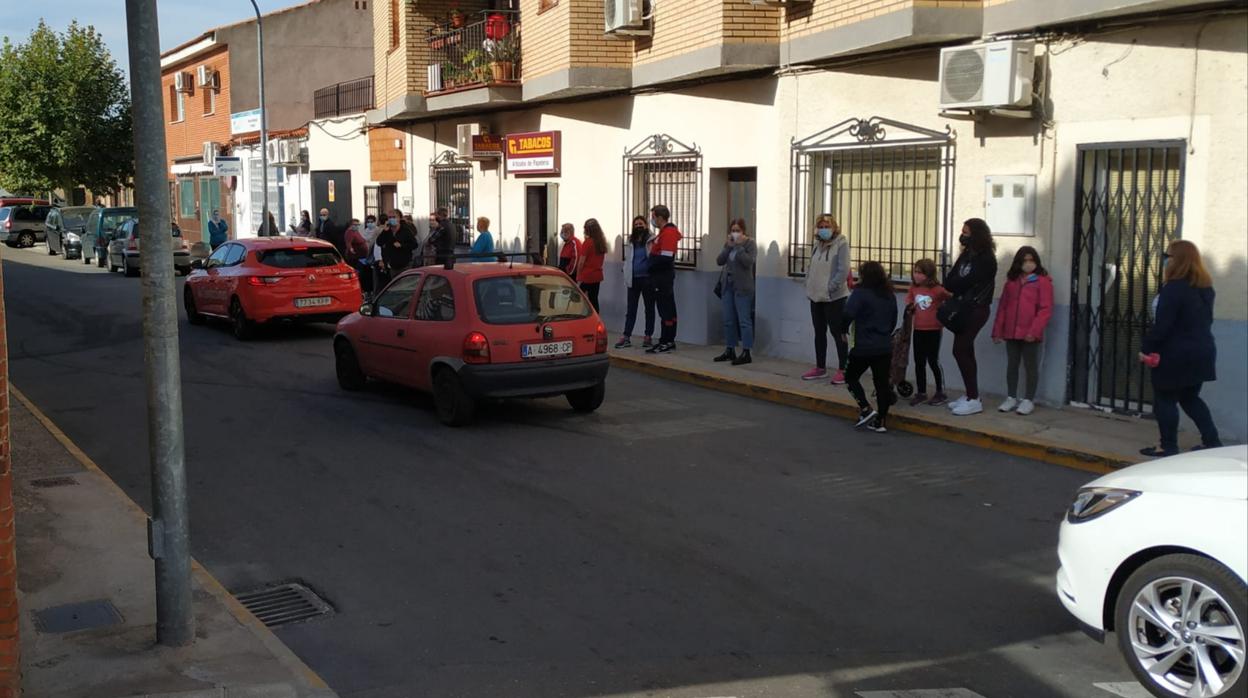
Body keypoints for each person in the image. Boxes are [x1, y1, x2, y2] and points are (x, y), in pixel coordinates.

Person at [1139, 240, 1221, 457]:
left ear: (1179, 260)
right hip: (1202, 351)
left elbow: (1163, 326)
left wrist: (1146, 348)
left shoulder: (1174, 289)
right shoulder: (1205, 288)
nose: (1166, 260)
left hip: (1175, 354)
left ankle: (1167, 446)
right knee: (1190, 398)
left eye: (1169, 256)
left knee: (1164, 400)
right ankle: (1212, 441)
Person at [943, 218, 998, 416]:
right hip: (963, 308)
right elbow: (950, 282)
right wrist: (959, 282)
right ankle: (970, 395)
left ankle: (974, 398)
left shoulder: (986, 259)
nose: (962, 236)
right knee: (965, 351)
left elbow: (967, 281)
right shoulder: (967, 255)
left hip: (976, 309)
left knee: (960, 350)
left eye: (966, 232)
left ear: (976, 234)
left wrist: (959, 282)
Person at [991, 246, 1054, 416]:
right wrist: (997, 331)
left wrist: (1034, 331)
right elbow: (1003, 307)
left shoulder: (1043, 282)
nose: (1028, 264)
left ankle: (1028, 399)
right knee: (1012, 364)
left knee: (1030, 365)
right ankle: (1011, 397)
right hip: (1011, 332)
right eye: (1024, 261)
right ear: (1018, 263)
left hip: (1030, 333)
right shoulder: (1011, 283)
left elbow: (1045, 309)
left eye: (1031, 260)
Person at [842, 261, 899, 434]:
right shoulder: (889, 295)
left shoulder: (860, 293)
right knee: (881, 383)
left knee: (850, 377)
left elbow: (848, 314)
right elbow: (893, 320)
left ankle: (865, 408)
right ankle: (881, 421)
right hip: (884, 346)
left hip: (863, 346)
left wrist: (842, 331)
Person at [802, 214, 851, 384]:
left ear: (834, 227)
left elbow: (843, 270)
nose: (823, 229)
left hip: (834, 298)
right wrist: (809, 283)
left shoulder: (841, 243)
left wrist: (831, 287)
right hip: (816, 296)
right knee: (819, 333)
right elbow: (810, 266)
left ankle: (844, 369)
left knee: (839, 333)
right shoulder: (817, 245)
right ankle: (820, 368)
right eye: (821, 226)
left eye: (827, 226)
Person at [904, 258, 951, 406]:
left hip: (934, 330)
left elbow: (949, 297)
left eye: (920, 273)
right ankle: (921, 392)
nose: (916, 275)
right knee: (919, 362)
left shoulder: (937, 289)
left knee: (933, 360)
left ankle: (940, 391)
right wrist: (910, 308)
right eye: (915, 272)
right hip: (918, 329)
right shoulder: (913, 288)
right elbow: (909, 302)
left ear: (929, 274)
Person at [714, 218, 756, 366]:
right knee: (728, 320)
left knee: (744, 321)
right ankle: (730, 349)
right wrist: (728, 247)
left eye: (738, 230)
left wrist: (739, 247)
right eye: (733, 230)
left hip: (743, 287)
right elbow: (719, 261)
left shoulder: (750, 243)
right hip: (728, 286)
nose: (735, 233)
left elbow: (748, 262)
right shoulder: (729, 243)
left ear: (743, 231)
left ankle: (746, 351)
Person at [646, 205, 682, 354]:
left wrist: (651, 260)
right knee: (666, 308)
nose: (652, 220)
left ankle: (667, 340)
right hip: (660, 276)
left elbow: (666, 257)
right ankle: (666, 339)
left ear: (660, 218)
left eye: (653, 217)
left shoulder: (668, 233)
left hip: (662, 277)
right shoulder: (663, 233)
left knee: (665, 309)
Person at [616, 216, 656, 349]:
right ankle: (626, 336)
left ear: (646, 225)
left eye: (641, 223)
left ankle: (648, 336)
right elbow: (628, 258)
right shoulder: (631, 240)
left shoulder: (652, 239)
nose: (639, 226)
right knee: (631, 309)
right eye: (636, 224)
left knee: (649, 309)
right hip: (633, 279)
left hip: (648, 279)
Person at [376, 210, 417, 286]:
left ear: (399, 218)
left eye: (394, 217)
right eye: (390, 217)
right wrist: (385, 231)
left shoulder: (405, 230)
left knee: (404, 286)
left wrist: (402, 245)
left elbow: (414, 245)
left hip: (405, 265)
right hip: (392, 266)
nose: (392, 219)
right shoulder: (387, 230)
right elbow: (379, 242)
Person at [577, 219, 608, 311]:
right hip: (597, 275)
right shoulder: (601, 243)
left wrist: (578, 276)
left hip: (587, 276)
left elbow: (581, 262)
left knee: (577, 299)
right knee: (594, 299)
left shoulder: (587, 243)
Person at [344, 218, 372, 294]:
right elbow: (348, 243)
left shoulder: (355, 231)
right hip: (355, 257)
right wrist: (351, 249)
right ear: (350, 225)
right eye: (355, 225)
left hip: (360, 256)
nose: (356, 226)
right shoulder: (350, 232)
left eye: (357, 225)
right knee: (358, 273)